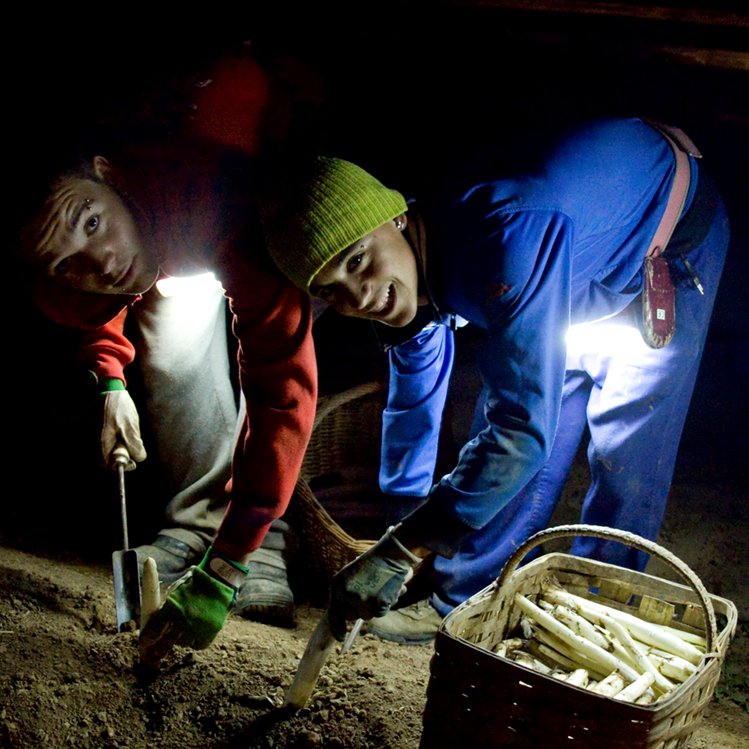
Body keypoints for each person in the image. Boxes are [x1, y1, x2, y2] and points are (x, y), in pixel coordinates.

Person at [264, 117, 730, 644]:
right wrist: (401, 522)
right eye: (333, 290)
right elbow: (415, 399)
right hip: (568, 256)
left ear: (395, 218)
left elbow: (518, 437)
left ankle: (592, 621)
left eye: (356, 261)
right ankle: (461, 601)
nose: (360, 297)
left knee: (624, 449)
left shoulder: (500, 241)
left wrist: (402, 549)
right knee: (507, 424)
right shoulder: (410, 271)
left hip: (661, 243)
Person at [16, 50, 319, 663]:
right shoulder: (118, 228)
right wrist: (111, 385)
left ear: (111, 176)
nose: (97, 263)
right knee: (176, 339)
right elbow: (103, 293)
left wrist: (229, 567)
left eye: (93, 222)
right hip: (189, 252)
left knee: (258, 373)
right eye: (68, 263)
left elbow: (284, 391)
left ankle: (257, 547)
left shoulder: (216, 198)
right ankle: (197, 524)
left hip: (310, 248)